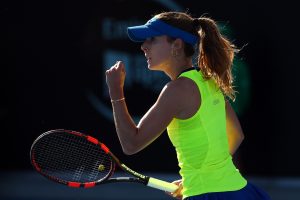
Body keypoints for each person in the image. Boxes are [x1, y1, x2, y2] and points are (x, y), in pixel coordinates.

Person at [105, 11, 271, 200]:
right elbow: (236, 135)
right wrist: (199, 175)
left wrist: (115, 91)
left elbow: (131, 143)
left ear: (176, 45)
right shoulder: (207, 81)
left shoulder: (177, 90)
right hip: (239, 191)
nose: (144, 46)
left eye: (152, 39)